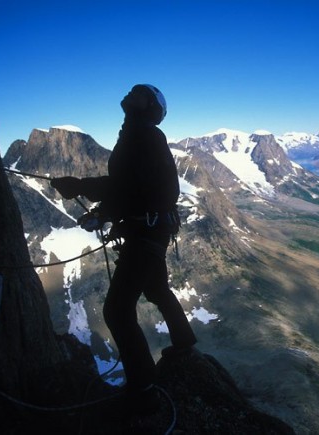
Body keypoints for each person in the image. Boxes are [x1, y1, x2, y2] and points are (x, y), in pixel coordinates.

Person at [51, 84, 197, 402]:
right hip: (149, 230)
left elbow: (127, 187)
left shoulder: (144, 136)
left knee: (117, 311)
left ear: (149, 107)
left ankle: (143, 392)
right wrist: (101, 213)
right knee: (156, 289)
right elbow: (132, 189)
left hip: (145, 234)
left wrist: (81, 187)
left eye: (140, 93)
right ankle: (185, 342)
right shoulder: (137, 135)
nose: (132, 94)